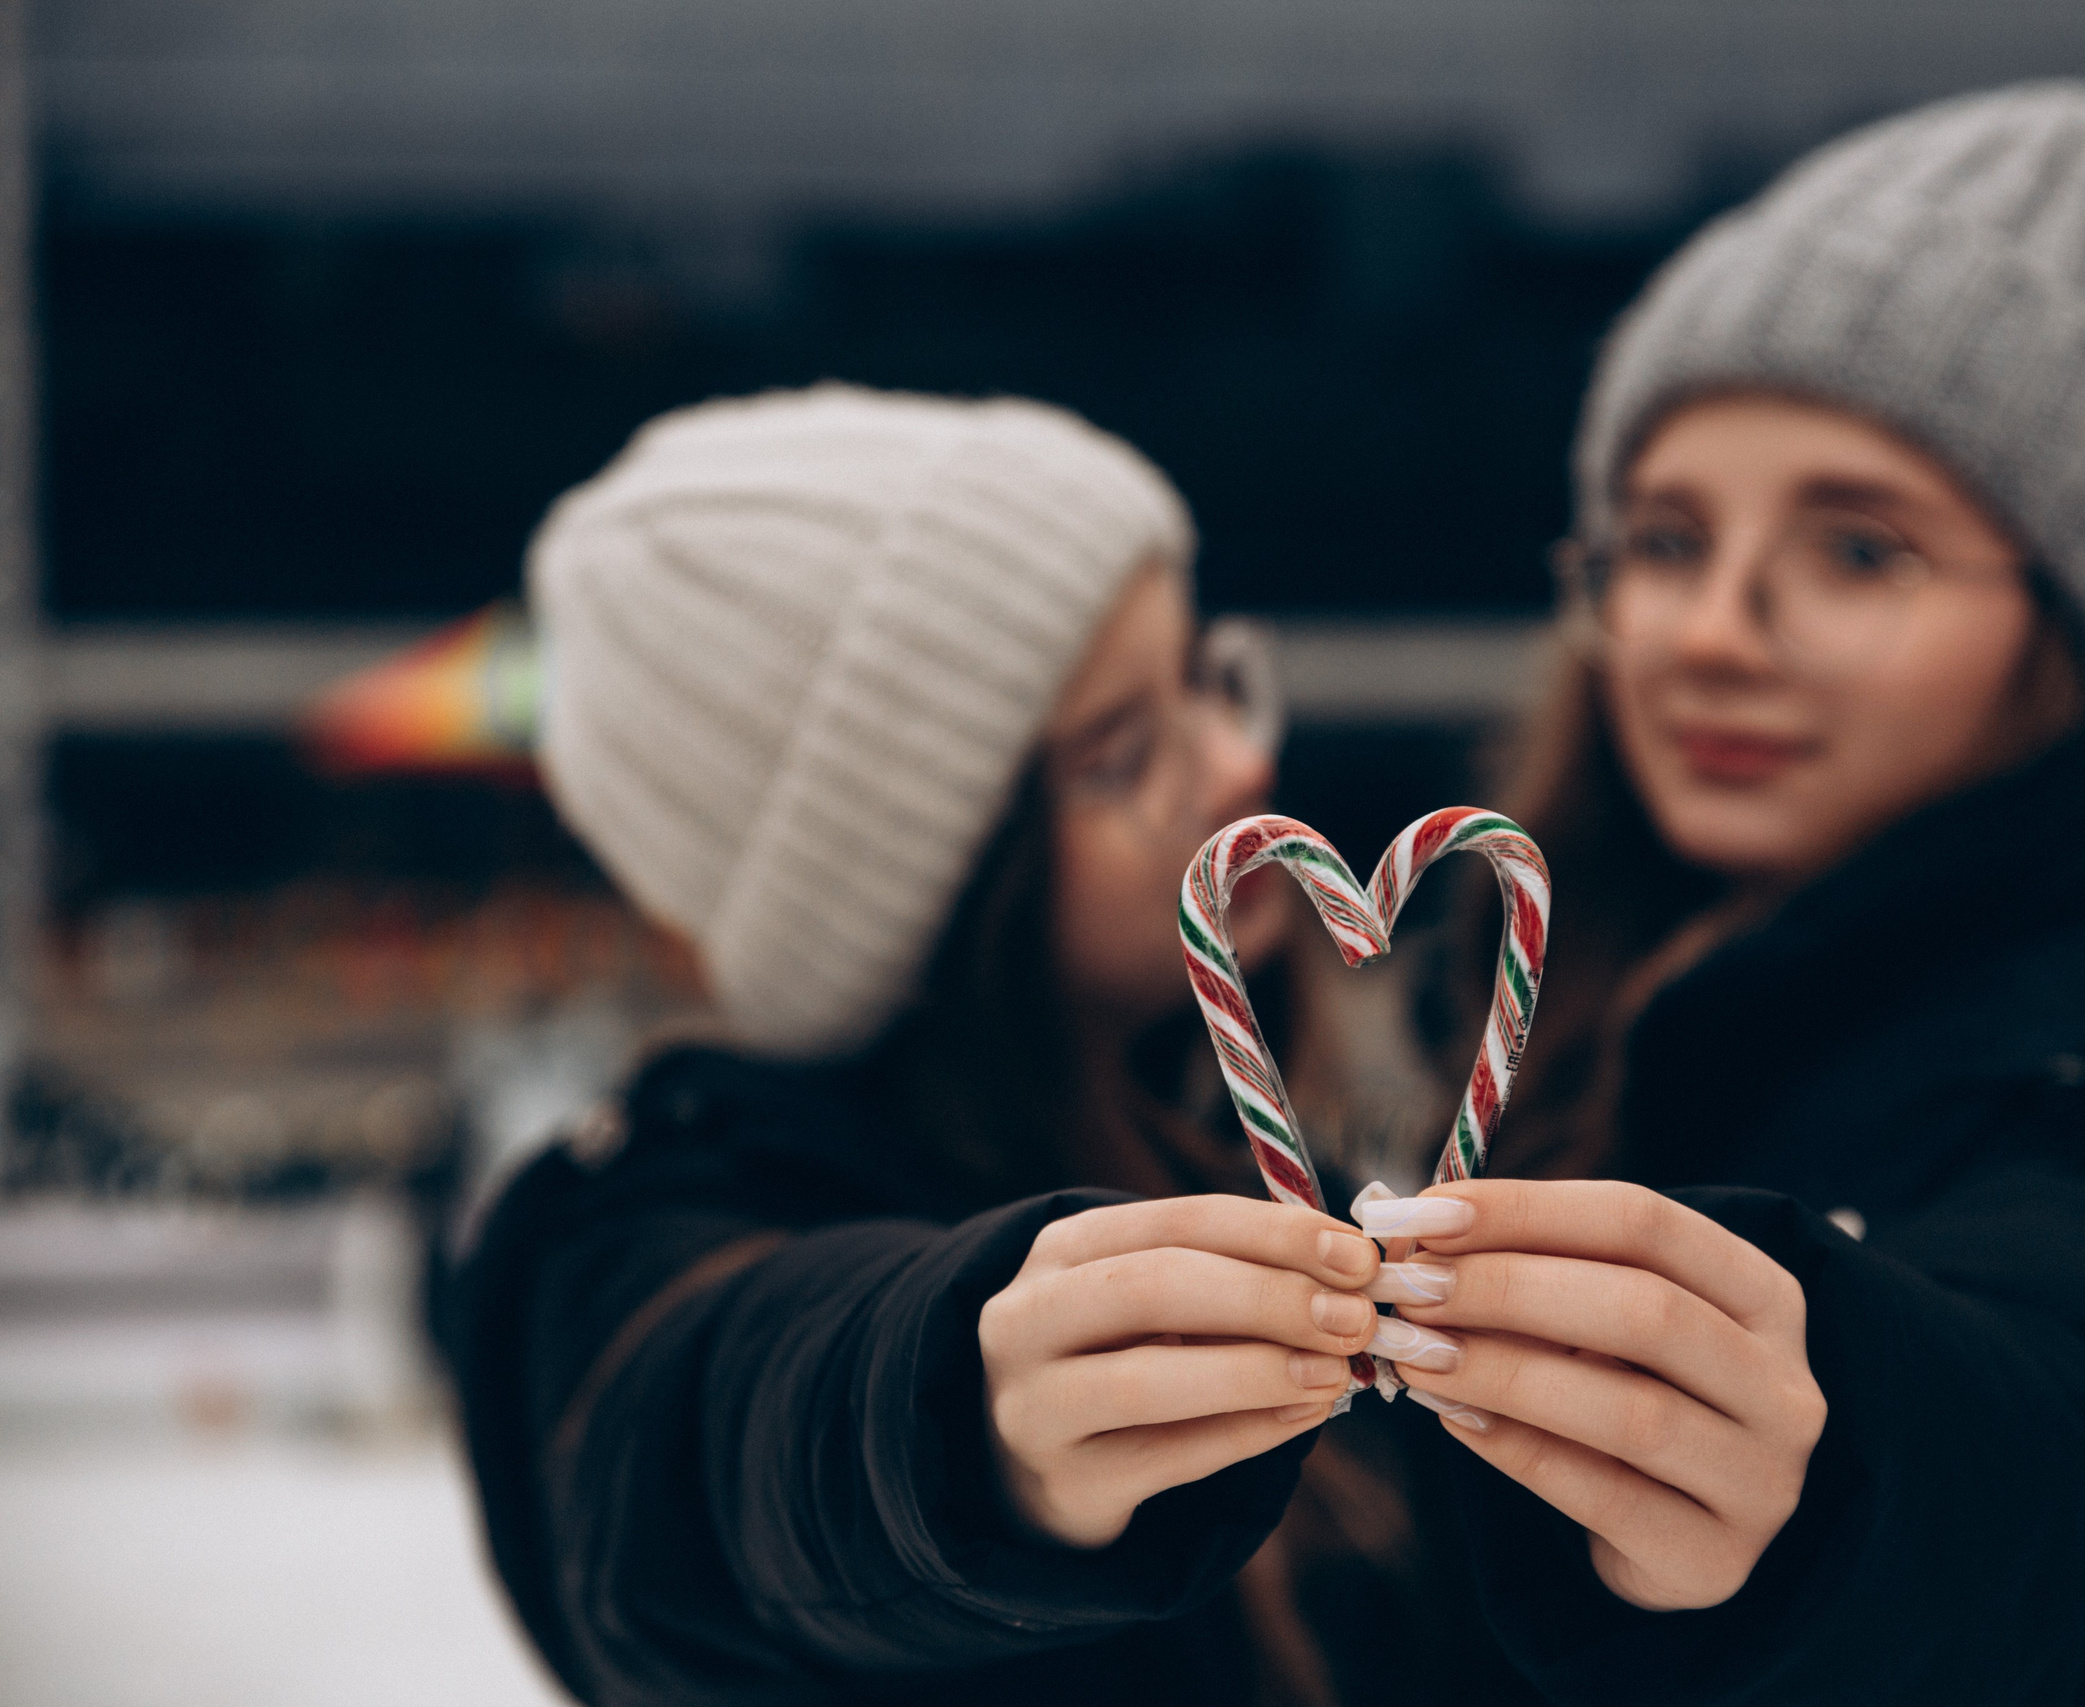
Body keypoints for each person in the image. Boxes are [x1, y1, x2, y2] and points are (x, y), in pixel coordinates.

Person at [1359, 80, 2085, 1703]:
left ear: (2061, 624)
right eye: (1667, 540)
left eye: (1859, 551)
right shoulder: (1587, 955)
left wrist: (1849, 1472)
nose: (1713, 632)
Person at [452, 385, 1453, 1706]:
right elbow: (714, 1444)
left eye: (1208, 679)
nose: (1232, 766)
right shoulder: (657, 1222)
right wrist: (962, 1428)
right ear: (927, 888)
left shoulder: (1228, 1125)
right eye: (1118, 756)